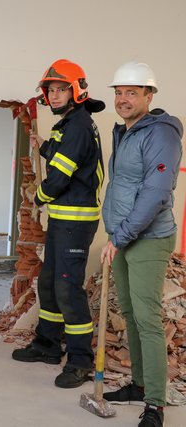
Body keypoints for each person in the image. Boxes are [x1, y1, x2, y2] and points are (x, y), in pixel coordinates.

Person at [12, 59, 105, 389]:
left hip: (75, 224)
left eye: (60, 89)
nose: (53, 95)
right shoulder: (70, 124)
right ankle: (48, 345)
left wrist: (37, 196)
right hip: (62, 221)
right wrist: (46, 146)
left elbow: (60, 179)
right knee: (50, 283)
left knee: (68, 289)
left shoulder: (78, 124)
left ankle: (79, 361)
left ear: (76, 91)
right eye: (50, 90)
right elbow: (69, 156)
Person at [101, 61, 183, 427]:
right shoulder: (125, 131)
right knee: (131, 314)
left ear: (149, 96)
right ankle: (138, 384)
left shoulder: (161, 134)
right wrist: (114, 234)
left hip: (148, 238)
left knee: (148, 318)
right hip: (122, 236)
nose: (123, 99)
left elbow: (154, 194)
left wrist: (119, 236)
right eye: (119, 92)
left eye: (131, 92)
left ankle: (155, 403)